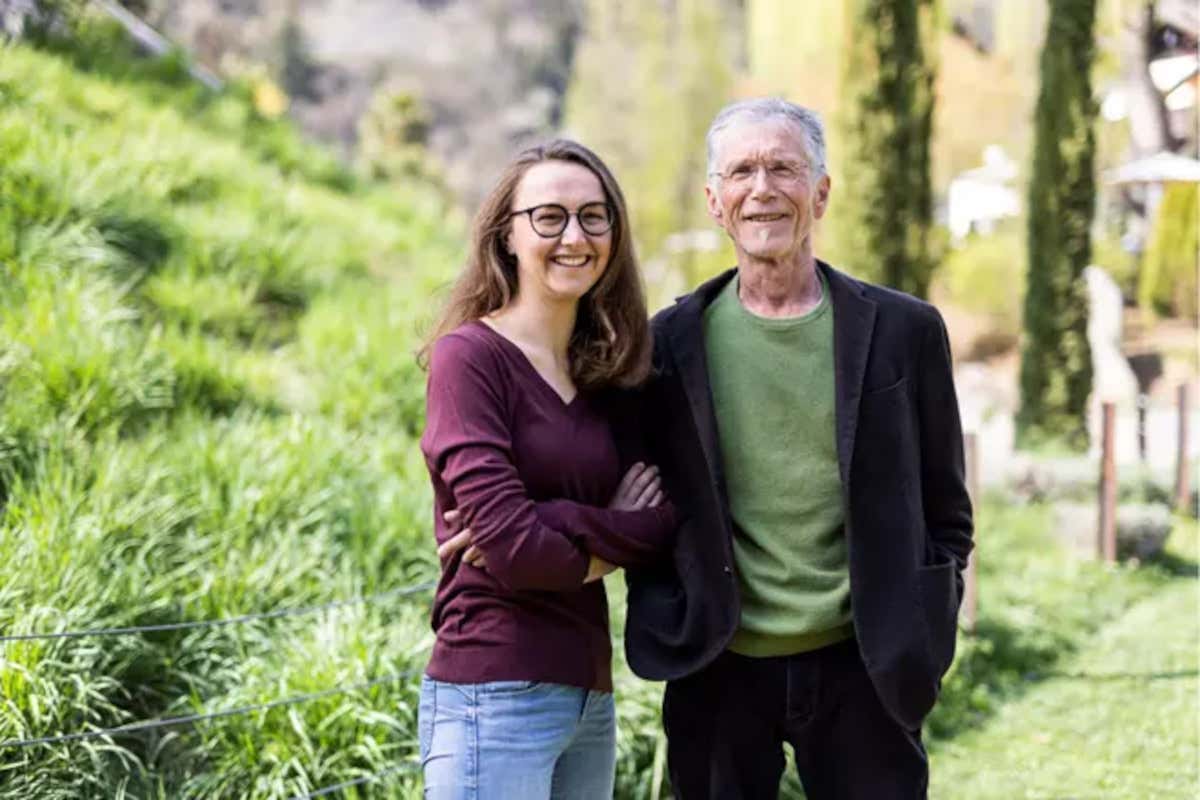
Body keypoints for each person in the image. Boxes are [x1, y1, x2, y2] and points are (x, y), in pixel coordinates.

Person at [620, 98, 974, 798]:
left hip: (865, 666)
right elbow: (647, 499)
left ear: (821, 191)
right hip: (718, 666)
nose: (763, 188)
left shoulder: (906, 331)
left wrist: (927, 620)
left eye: (783, 167)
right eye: (742, 171)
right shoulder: (668, 345)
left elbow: (947, 505)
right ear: (715, 201)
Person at [415, 138, 678, 800]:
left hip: (589, 696)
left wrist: (558, 520)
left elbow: (663, 523)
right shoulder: (469, 361)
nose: (574, 236)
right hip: (491, 691)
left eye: (594, 216)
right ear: (507, 235)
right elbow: (512, 552)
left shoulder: (612, 372)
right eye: (549, 216)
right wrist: (605, 529)